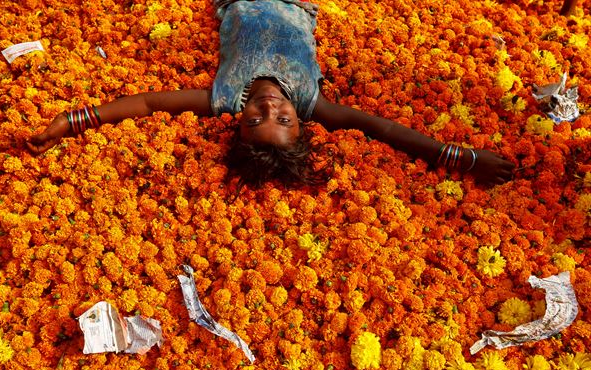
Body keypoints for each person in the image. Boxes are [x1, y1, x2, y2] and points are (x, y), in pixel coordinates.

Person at [26, 0, 515, 189]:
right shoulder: (311, 101)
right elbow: (380, 128)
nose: (270, 110)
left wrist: (73, 120)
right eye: (284, 122)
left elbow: (149, 104)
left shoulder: (223, 97)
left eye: (258, 122)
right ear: (302, 123)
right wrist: (461, 158)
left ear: (239, 122)